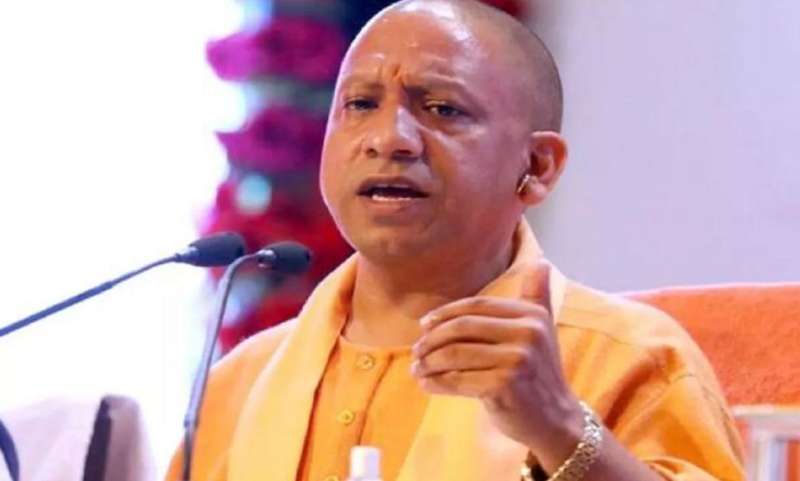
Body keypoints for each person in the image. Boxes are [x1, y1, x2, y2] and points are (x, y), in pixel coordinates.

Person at [167, 1, 745, 480]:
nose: (390, 138)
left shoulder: (629, 358)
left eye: (442, 109)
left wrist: (561, 428)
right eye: (361, 104)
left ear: (537, 166)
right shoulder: (243, 381)